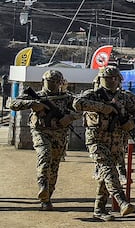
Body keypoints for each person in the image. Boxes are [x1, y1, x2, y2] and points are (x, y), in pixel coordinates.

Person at [73, 65, 135, 221]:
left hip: (117, 141)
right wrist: (103, 108)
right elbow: (77, 103)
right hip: (96, 140)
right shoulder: (93, 95)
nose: (111, 81)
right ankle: (122, 200)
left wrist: (132, 122)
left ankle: (99, 209)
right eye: (107, 78)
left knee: (107, 174)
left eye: (115, 78)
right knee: (108, 169)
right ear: (100, 79)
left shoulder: (126, 97)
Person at [8, 70, 81, 210]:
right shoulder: (36, 96)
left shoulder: (66, 98)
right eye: (49, 81)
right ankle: (42, 185)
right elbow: (14, 104)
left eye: (55, 82)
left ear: (60, 83)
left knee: (54, 166)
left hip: (59, 135)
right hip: (40, 132)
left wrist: (70, 117)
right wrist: (33, 104)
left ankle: (47, 197)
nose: (52, 84)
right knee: (44, 155)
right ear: (43, 82)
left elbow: (81, 108)